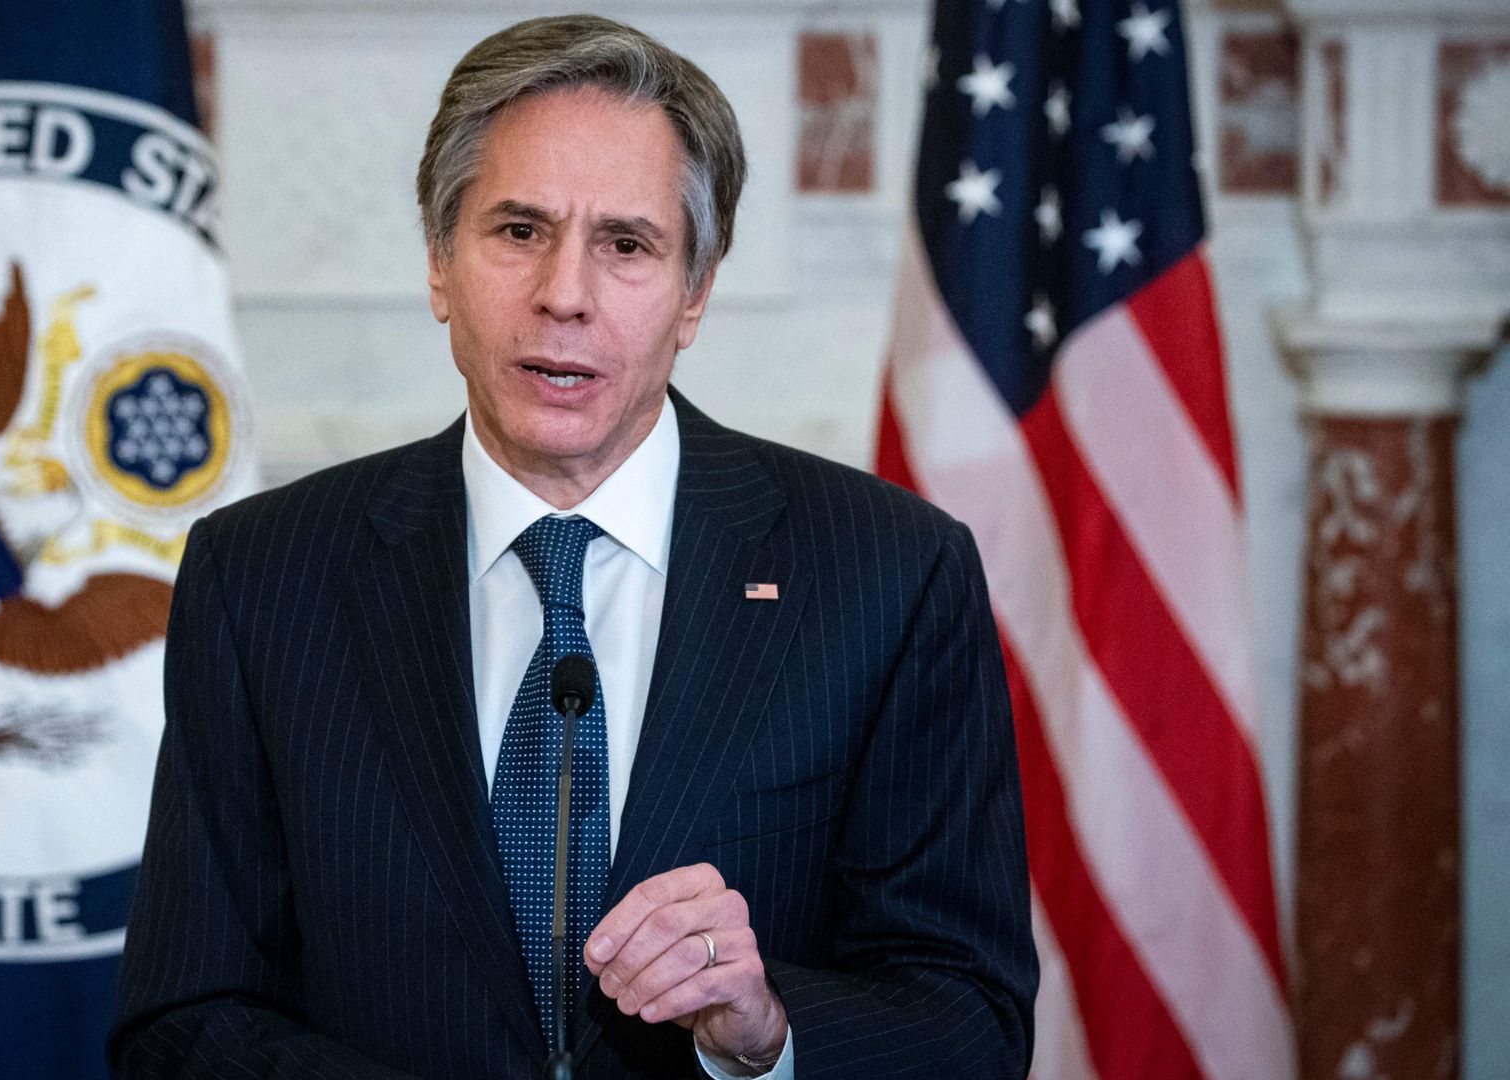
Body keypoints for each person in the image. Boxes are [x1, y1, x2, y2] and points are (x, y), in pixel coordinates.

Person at [109, 14, 1036, 1078]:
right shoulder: (261, 577)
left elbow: (970, 1025)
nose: (564, 295)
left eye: (627, 245)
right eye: (517, 231)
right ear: (439, 265)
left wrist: (765, 1033)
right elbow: (182, 1020)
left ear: (695, 294)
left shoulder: (890, 575)